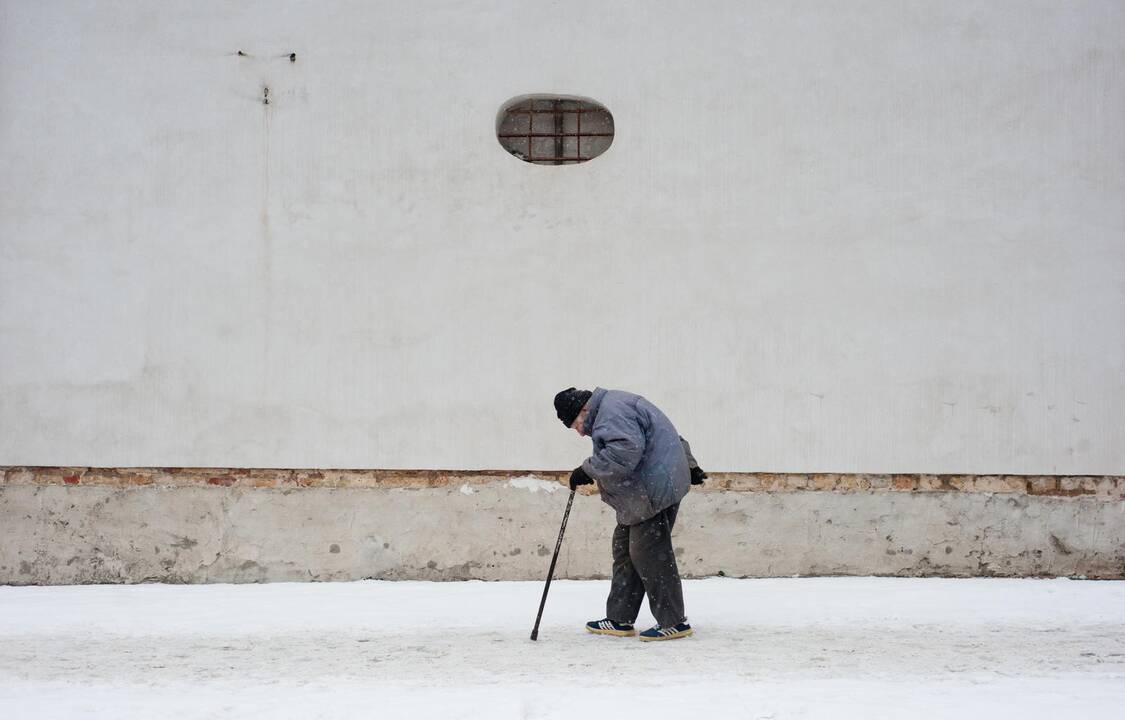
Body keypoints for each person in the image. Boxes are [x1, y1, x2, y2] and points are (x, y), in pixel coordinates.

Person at [553, 386, 707, 641]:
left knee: (650, 552)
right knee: (625, 549)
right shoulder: (614, 406)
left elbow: (624, 454)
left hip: (652, 491)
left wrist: (587, 470)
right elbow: (668, 433)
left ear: (583, 410)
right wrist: (689, 464)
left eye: (576, 425)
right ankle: (619, 618)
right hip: (642, 492)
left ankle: (674, 621)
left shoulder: (611, 412)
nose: (580, 433)